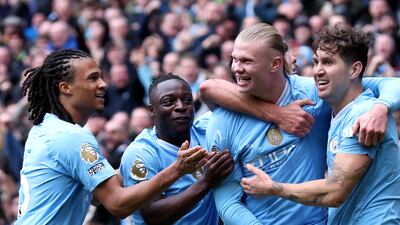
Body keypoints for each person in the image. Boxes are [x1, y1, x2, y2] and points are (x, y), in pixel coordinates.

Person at [201, 23, 400, 225]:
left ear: (275, 64)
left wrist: (381, 107)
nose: (236, 68)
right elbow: (227, 202)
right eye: (234, 59)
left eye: (246, 61)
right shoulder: (221, 122)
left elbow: (390, 84)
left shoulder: (319, 95)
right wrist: (276, 114)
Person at [16, 49, 208, 225]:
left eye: (101, 76)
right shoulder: (72, 136)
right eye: (93, 78)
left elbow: (94, 197)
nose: (103, 84)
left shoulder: (44, 129)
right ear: (66, 88)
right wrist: (177, 169)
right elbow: (118, 205)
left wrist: (122, 171)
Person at [119, 74, 233, 225]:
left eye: (187, 100)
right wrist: (206, 181)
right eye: (168, 102)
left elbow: (240, 97)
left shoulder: (207, 129)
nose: (181, 107)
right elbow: (153, 216)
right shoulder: (140, 153)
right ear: (152, 111)